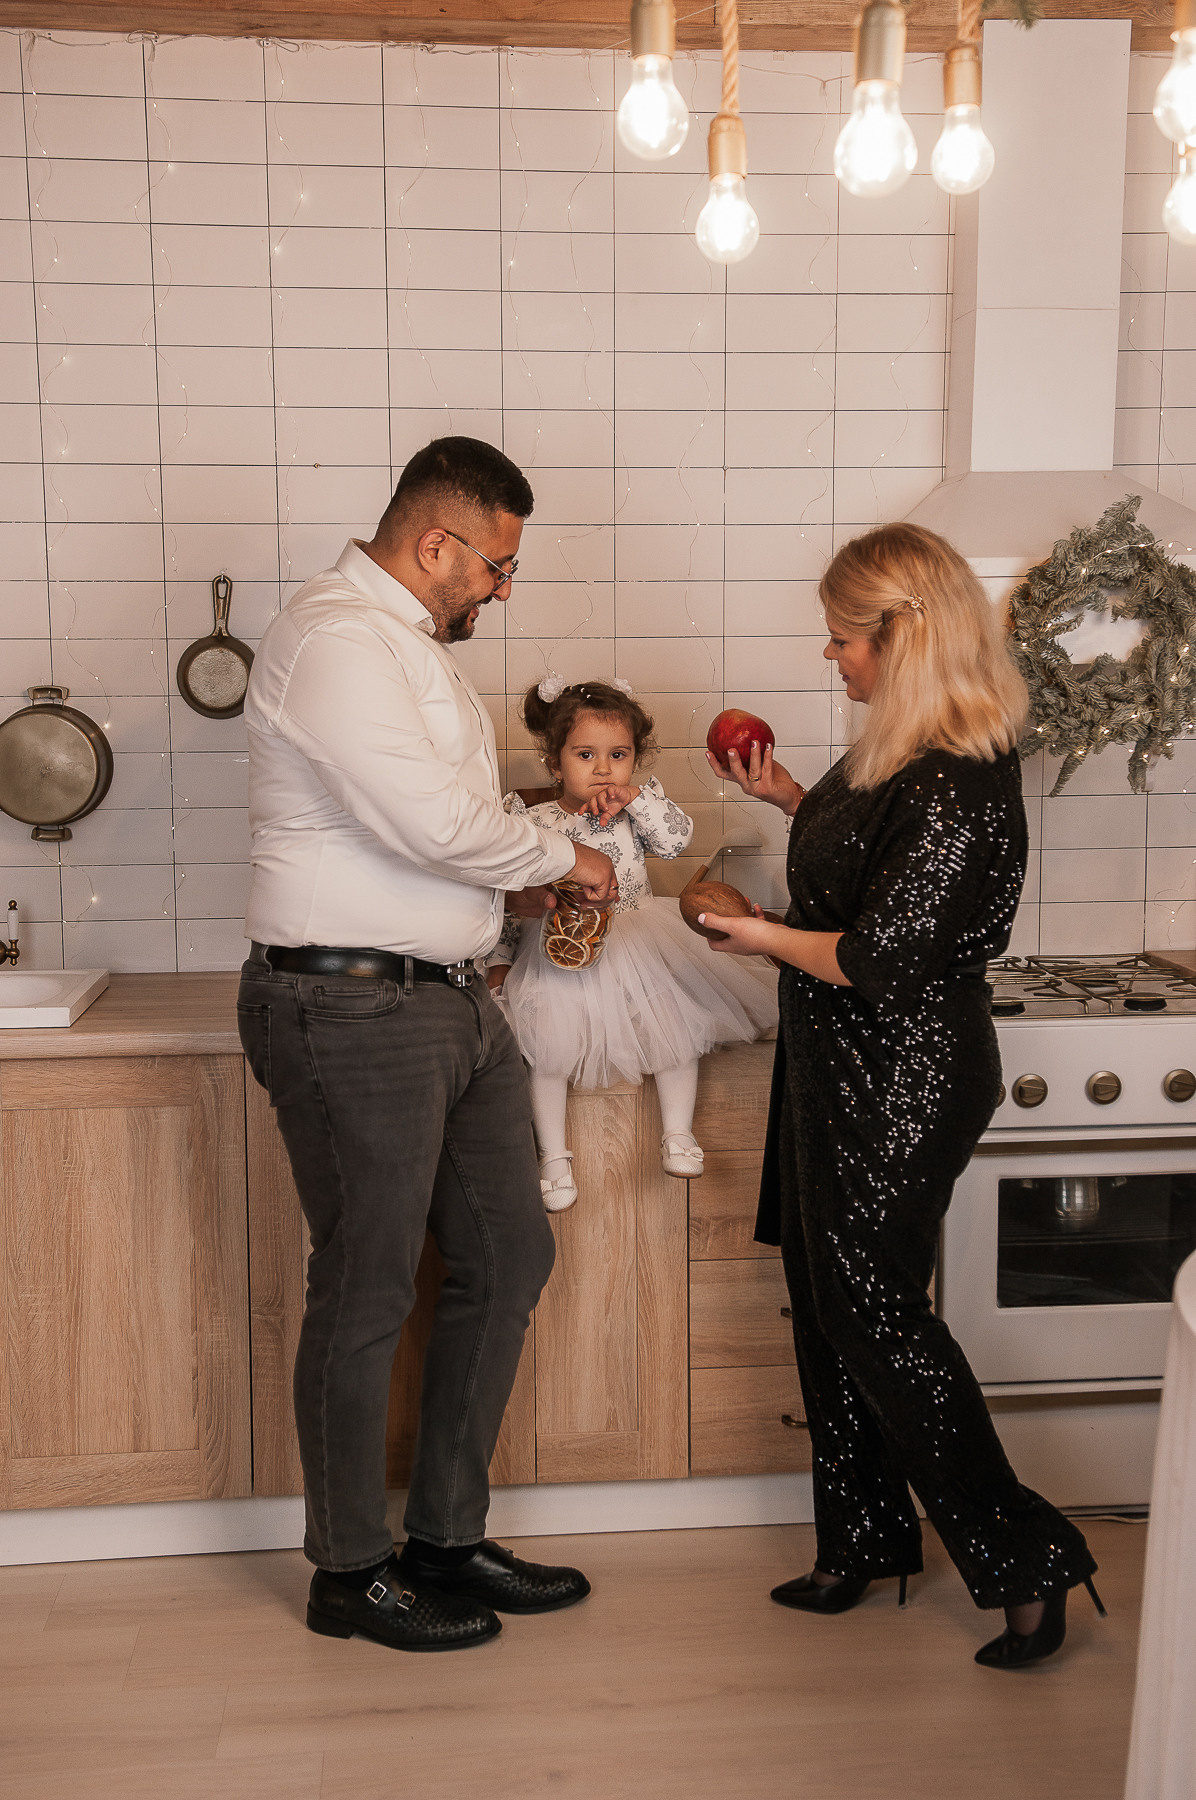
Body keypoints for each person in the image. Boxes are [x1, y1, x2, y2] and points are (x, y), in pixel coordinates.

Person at [237, 436, 619, 1655]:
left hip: (453, 1003)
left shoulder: (408, 650)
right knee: (365, 1287)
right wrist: (570, 858)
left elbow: (446, 833)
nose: (499, 591)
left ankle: (444, 1538)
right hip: (347, 1008)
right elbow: (435, 821)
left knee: (509, 1257)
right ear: (435, 543)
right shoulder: (336, 638)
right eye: (494, 567)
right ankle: (349, 1571)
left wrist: (514, 888)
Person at [699, 522, 1104, 1671]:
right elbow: (864, 871)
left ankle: (1028, 1562)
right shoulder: (894, 751)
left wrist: (757, 934)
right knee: (826, 1305)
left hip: (905, 1075)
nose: (832, 658)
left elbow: (877, 956)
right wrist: (783, 795)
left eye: (842, 639)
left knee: (875, 1315)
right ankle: (865, 1541)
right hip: (835, 1062)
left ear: (902, 635)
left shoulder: (962, 775)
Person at [485, 678, 777, 1210]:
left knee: (674, 1028)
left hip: (637, 940)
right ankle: (552, 1157)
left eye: (618, 755)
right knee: (545, 1054)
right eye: (585, 755)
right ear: (555, 763)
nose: (603, 769)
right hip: (558, 950)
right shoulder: (534, 821)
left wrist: (638, 801)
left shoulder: (635, 813)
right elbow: (512, 900)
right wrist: (500, 961)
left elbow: (675, 840)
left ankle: (678, 1132)